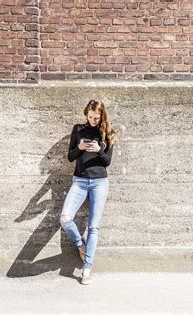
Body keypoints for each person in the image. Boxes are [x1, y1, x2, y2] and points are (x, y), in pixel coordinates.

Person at [59, 100, 117, 285]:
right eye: (90, 117)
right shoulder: (77, 129)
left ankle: (87, 269)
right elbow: (70, 157)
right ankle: (80, 244)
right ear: (86, 115)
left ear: (102, 116)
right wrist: (80, 148)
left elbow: (107, 161)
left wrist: (99, 150)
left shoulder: (108, 133)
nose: (93, 120)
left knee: (93, 227)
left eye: (97, 117)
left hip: (100, 182)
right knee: (65, 218)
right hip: (80, 181)